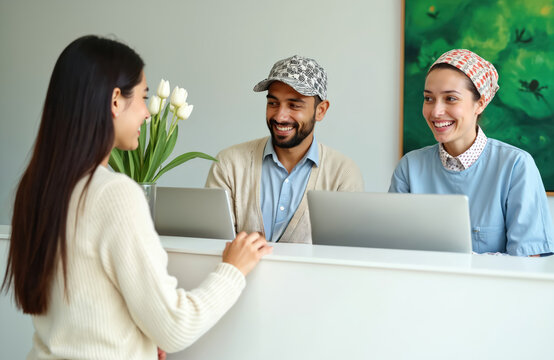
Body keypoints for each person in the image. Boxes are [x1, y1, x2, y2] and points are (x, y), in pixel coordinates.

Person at [1, 35, 272, 359]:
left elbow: (83, 308)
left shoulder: (35, 187)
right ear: (116, 100)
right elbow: (175, 327)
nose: (147, 113)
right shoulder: (114, 193)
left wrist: (137, 344)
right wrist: (233, 269)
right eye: (143, 96)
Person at [389, 48, 554, 256]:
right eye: (428, 98)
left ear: (480, 103)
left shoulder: (516, 166)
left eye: (450, 99)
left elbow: (528, 262)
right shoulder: (409, 167)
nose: (436, 111)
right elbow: (393, 251)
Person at [205, 55, 364, 244]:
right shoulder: (229, 164)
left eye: (294, 105)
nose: (280, 116)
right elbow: (211, 245)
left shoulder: (342, 174)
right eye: (273, 103)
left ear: (320, 110)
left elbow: (345, 256)